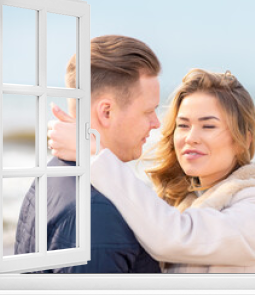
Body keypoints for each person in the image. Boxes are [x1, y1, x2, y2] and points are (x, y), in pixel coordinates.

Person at [50, 68, 255, 273]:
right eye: (183, 125)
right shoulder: (177, 201)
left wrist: (95, 154)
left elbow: (174, 236)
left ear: (243, 140)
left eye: (208, 126)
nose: (191, 138)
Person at [14, 35, 162, 273]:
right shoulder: (98, 213)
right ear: (107, 112)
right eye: (148, 111)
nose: (156, 123)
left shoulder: (52, 173)